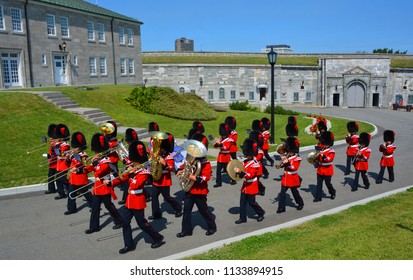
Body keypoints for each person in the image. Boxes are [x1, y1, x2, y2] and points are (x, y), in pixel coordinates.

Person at [108, 140, 165, 253]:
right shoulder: (133, 170)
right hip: (129, 201)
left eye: (134, 161)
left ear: (138, 161)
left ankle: (158, 238)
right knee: (125, 222)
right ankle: (129, 245)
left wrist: (131, 174)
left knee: (142, 224)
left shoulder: (144, 172)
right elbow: (122, 179)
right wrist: (111, 182)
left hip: (137, 200)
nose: (132, 163)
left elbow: (136, 184)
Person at [176, 133, 217, 237]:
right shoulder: (190, 158)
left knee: (203, 211)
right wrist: (180, 170)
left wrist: (196, 178)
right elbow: (185, 165)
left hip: (199, 191)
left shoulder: (205, 162)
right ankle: (186, 230)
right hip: (190, 190)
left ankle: (212, 227)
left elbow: (206, 176)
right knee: (186, 211)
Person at [84, 133, 122, 234]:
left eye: (96, 152)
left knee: (108, 206)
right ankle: (94, 226)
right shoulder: (99, 160)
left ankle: (119, 220)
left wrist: (95, 163)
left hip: (104, 187)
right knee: (95, 207)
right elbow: (88, 169)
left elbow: (99, 172)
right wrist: (82, 169)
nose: (95, 153)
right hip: (98, 188)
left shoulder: (106, 161)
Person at [149, 133, 183, 220]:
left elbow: (170, 168)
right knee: (154, 197)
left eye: (162, 149)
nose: (160, 150)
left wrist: (164, 163)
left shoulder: (169, 157)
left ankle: (178, 208)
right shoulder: (156, 155)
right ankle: (156, 213)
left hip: (164, 181)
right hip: (156, 180)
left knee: (167, 198)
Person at [232, 138, 265, 224]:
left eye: (246, 154)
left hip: (251, 185)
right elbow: (242, 168)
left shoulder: (255, 164)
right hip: (245, 185)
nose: (245, 155)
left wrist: (240, 172)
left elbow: (250, 175)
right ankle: (242, 218)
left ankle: (261, 213)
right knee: (242, 202)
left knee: (252, 202)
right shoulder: (246, 161)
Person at [65, 132, 93, 215]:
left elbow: (80, 164)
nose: (74, 148)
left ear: (80, 148)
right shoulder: (74, 154)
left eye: (76, 147)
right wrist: (67, 158)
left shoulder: (83, 155)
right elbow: (68, 165)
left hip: (80, 178)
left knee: (86, 194)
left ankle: (94, 206)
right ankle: (71, 209)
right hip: (73, 178)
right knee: (70, 193)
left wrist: (72, 157)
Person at [276, 137, 304, 213]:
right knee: (282, 193)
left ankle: (300, 203)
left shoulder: (297, 158)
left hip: (292, 178)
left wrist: (287, 163)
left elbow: (294, 168)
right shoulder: (287, 156)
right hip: (285, 178)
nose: (290, 152)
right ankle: (281, 207)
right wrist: (282, 164)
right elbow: (283, 166)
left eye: (291, 151)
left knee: (295, 192)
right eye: (289, 151)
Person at [313, 131, 336, 202]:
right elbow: (317, 158)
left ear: (329, 144)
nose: (324, 145)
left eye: (326, 144)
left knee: (327, 183)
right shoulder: (321, 149)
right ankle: (318, 197)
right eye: (324, 144)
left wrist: (322, 155)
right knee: (319, 184)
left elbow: (329, 159)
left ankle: (332, 192)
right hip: (320, 169)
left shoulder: (331, 151)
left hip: (328, 169)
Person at [213, 123, 236, 187]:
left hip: (226, 157)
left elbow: (226, 148)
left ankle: (233, 179)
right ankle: (218, 183)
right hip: (220, 157)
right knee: (218, 171)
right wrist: (216, 142)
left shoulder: (229, 140)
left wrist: (220, 143)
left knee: (228, 170)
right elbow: (215, 146)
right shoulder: (221, 139)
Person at [54, 124, 71, 200]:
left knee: (63, 179)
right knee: (58, 179)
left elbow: (60, 154)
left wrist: (56, 146)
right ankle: (61, 193)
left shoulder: (65, 145)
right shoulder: (61, 144)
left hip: (64, 164)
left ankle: (72, 189)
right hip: (59, 164)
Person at [248, 130, 266, 196]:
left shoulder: (260, 151)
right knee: (253, 180)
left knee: (256, 180)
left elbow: (256, 158)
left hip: (258, 168)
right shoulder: (253, 149)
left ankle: (262, 188)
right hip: (251, 167)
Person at [43, 124, 58, 194]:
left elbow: (56, 150)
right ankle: (51, 189)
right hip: (52, 162)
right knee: (50, 176)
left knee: (61, 179)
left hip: (57, 162)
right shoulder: (53, 141)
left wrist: (51, 144)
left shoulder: (57, 142)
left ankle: (68, 188)